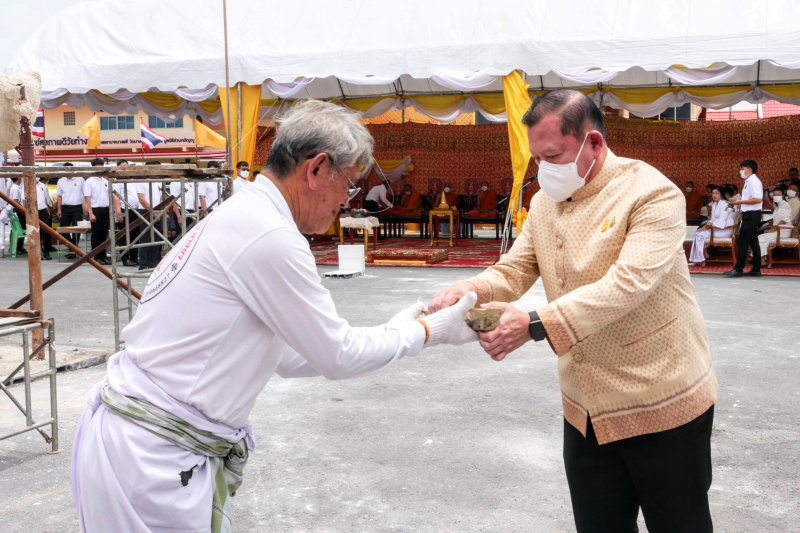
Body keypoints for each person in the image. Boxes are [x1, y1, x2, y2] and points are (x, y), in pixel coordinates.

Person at [71, 100, 478, 532]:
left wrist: (396, 330)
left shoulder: (249, 215)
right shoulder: (269, 234)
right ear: (317, 169)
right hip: (150, 453)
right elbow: (336, 355)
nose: (346, 200)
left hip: (148, 442)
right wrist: (427, 331)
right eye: (351, 185)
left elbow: (288, 354)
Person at [429, 89, 717, 533]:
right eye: (538, 158)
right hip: (586, 409)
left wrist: (534, 324)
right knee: (598, 523)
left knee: (679, 524)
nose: (545, 169)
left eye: (554, 155)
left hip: (660, 399)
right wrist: (471, 287)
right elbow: (518, 266)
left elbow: (628, 284)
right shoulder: (545, 202)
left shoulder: (652, 194)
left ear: (594, 143)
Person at [726, 160, 764, 277]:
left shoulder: (753, 182)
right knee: (753, 241)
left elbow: (758, 199)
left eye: (743, 169)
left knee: (742, 241)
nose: (741, 171)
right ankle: (756, 269)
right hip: (750, 213)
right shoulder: (749, 181)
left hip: (752, 214)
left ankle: (738, 269)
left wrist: (740, 202)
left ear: (749, 170)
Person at [688, 186, 736, 265]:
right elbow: (713, 219)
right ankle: (700, 258)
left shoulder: (724, 203)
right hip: (718, 228)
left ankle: (700, 259)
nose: (714, 195)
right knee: (698, 233)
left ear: (721, 194)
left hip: (725, 230)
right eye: (713, 193)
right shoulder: (715, 204)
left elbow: (722, 220)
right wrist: (706, 226)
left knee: (699, 235)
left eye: (717, 193)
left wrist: (707, 227)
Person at [135, 161, 165, 270]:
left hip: (157, 212)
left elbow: (161, 198)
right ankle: (143, 264)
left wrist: (160, 211)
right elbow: (142, 200)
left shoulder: (158, 182)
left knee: (157, 238)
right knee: (145, 238)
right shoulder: (142, 182)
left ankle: (154, 263)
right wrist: (152, 211)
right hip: (146, 212)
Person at [83, 158, 111, 265]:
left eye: (100, 166)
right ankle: (96, 256)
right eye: (96, 167)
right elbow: (87, 198)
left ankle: (103, 256)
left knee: (104, 234)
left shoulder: (105, 181)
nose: (99, 169)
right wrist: (90, 212)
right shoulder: (89, 181)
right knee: (96, 234)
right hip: (95, 209)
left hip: (105, 209)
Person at [112, 160, 140, 267]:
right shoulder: (117, 180)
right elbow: (115, 196)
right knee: (124, 235)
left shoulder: (133, 180)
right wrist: (118, 212)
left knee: (135, 235)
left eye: (127, 165)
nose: (126, 167)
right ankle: (125, 258)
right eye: (123, 166)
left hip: (135, 210)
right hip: (124, 210)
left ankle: (134, 257)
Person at [757, 185, 793, 265]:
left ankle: (762, 260)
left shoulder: (785, 206)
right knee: (761, 236)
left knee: (761, 237)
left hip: (783, 232)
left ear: (783, 195)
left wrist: (771, 230)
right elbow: (775, 215)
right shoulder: (778, 206)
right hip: (778, 230)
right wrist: (771, 230)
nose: (776, 197)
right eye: (775, 195)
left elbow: (783, 221)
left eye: (778, 195)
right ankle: (763, 259)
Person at [56, 162, 85, 259]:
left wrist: (85, 208)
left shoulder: (80, 179)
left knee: (77, 229)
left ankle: (73, 250)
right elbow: (59, 196)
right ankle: (72, 248)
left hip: (77, 207)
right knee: (63, 230)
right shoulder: (60, 181)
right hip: (65, 208)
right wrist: (59, 208)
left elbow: (85, 194)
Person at [36, 176, 55, 260]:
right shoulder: (26, 186)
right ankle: (37, 253)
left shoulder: (43, 186)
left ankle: (46, 252)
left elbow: (46, 198)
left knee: (46, 232)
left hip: (43, 210)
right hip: (33, 211)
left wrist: (49, 208)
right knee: (36, 233)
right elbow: (24, 200)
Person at [9, 177, 27, 254]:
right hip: (18, 211)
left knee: (18, 229)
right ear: (19, 178)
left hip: (18, 210)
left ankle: (19, 247)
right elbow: (16, 202)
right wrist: (23, 210)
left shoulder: (15, 187)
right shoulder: (15, 189)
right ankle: (17, 248)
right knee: (20, 229)